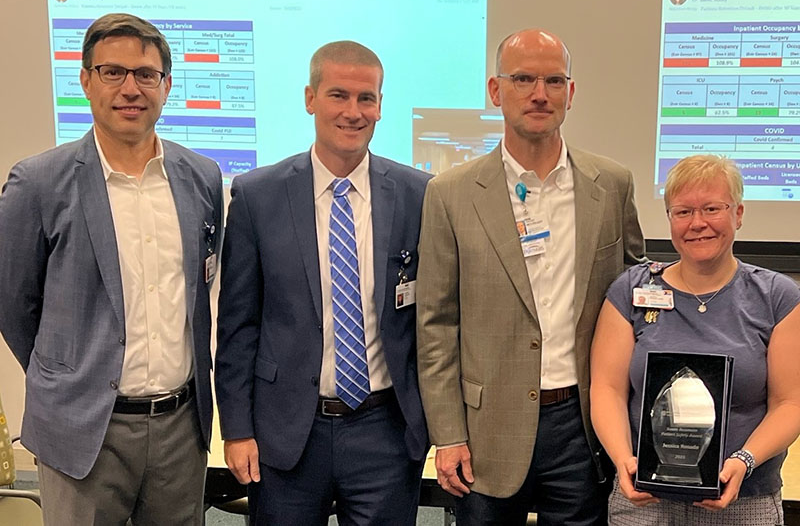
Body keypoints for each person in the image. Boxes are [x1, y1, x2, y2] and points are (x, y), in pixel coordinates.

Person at [0, 13, 223, 525]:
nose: (131, 88)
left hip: (179, 428)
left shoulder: (203, 179)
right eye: (112, 72)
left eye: (146, 74)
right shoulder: (37, 182)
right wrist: (66, 376)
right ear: (85, 80)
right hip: (83, 430)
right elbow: (14, 303)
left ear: (165, 86)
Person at [416, 28, 645, 525]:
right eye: (523, 79)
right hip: (484, 428)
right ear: (496, 91)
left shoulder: (612, 187)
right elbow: (435, 325)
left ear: (571, 92)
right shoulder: (450, 194)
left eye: (553, 81)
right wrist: (448, 434)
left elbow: (635, 305)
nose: (539, 94)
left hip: (582, 427)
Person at [215, 40, 431, 526]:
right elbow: (237, 327)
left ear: (380, 105)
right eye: (338, 95)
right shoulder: (257, 196)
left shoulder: (419, 195)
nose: (353, 112)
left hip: (385, 432)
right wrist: (236, 430)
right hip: (286, 431)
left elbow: (431, 320)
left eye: (366, 98)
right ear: (310, 98)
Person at [591, 154, 800, 525]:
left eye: (712, 208)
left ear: (738, 213)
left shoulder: (777, 297)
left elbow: (790, 403)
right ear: (670, 219)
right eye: (683, 211)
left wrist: (744, 462)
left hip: (743, 500)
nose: (698, 223)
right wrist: (624, 460)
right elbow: (607, 388)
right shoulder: (631, 290)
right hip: (643, 501)